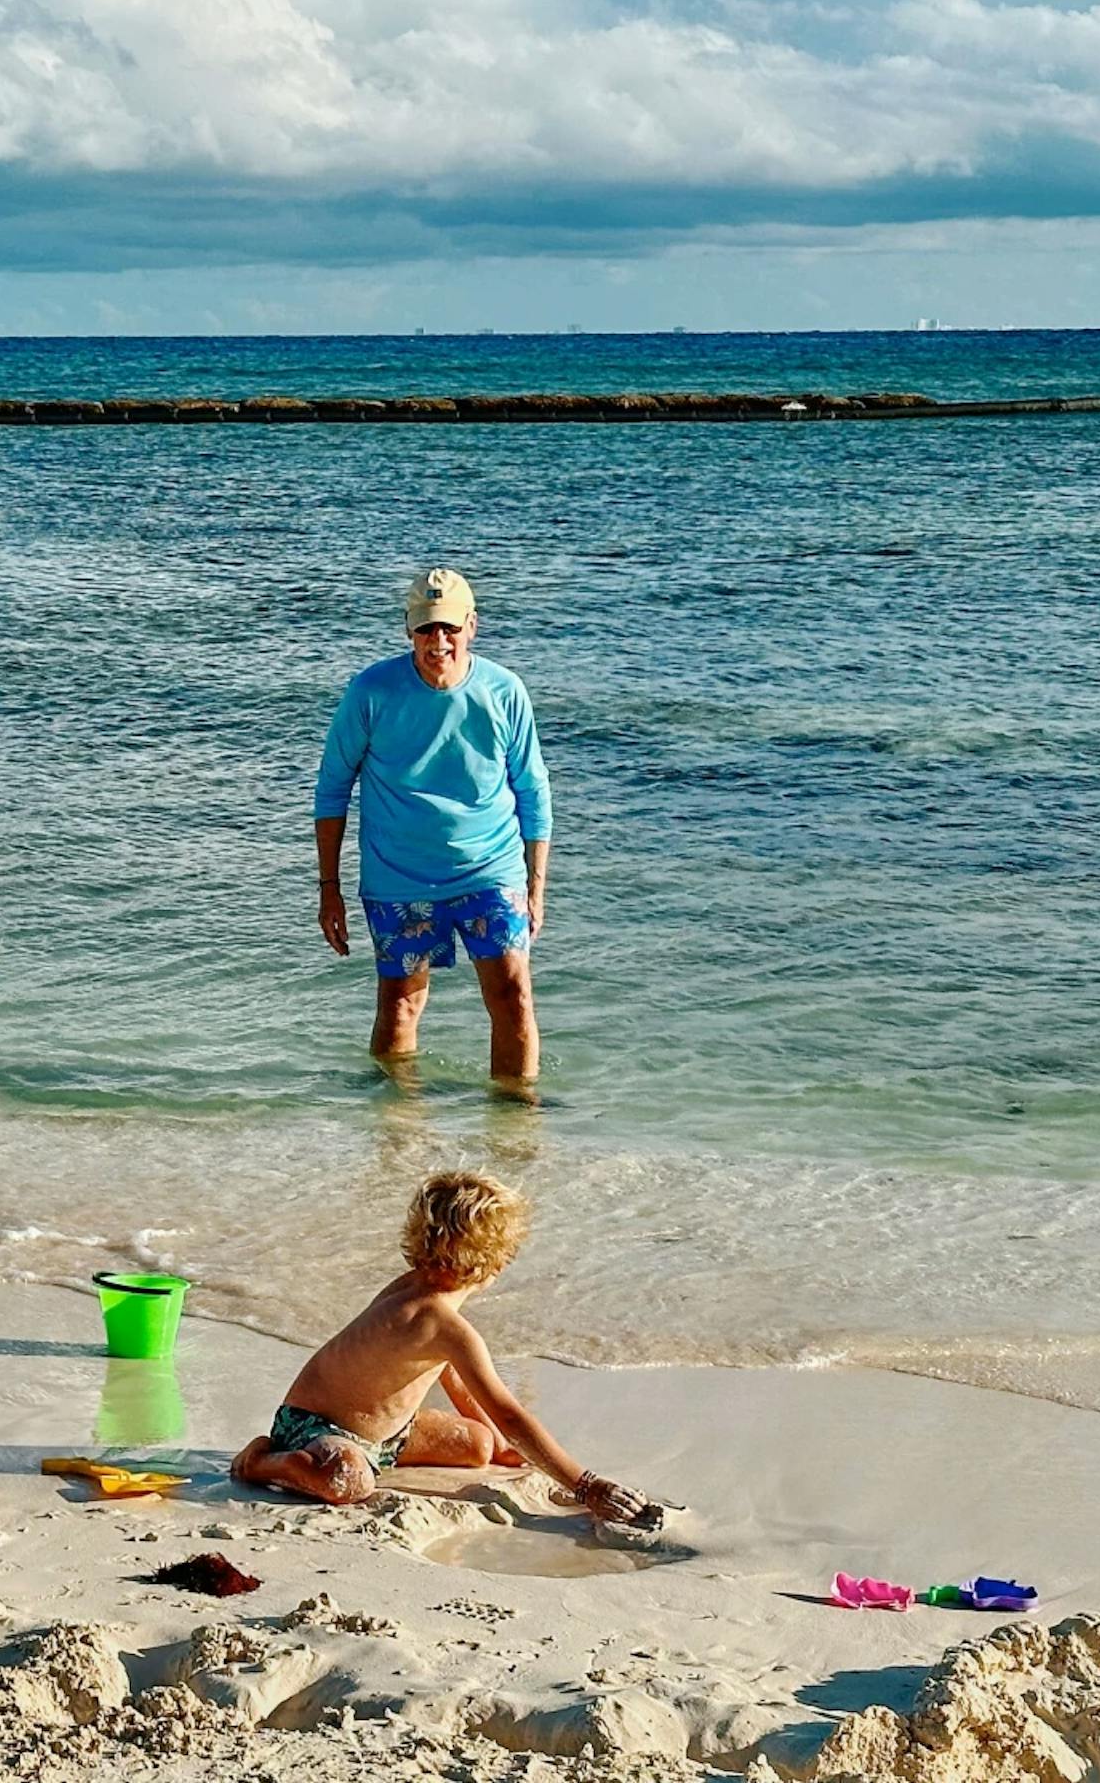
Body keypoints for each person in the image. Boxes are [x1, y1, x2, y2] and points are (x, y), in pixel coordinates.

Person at [231, 1169, 667, 1532]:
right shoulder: (441, 1321)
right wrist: (585, 1485)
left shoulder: (419, 1294)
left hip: (385, 1436)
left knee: (477, 1445)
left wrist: (498, 1446)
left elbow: (446, 1371)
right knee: (351, 1482)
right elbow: (511, 1413)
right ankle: (264, 1462)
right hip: (314, 1430)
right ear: (493, 1262)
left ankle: (357, 1456)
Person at [313, 568, 555, 1083]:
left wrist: (536, 885)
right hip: (398, 877)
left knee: (512, 996)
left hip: (490, 871)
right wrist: (328, 890)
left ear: (472, 625)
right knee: (400, 1008)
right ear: (408, 629)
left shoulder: (504, 691)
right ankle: (398, 1133)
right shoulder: (371, 692)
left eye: (448, 627)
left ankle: (516, 1129)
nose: (437, 641)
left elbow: (533, 790)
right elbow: (333, 789)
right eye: (425, 628)